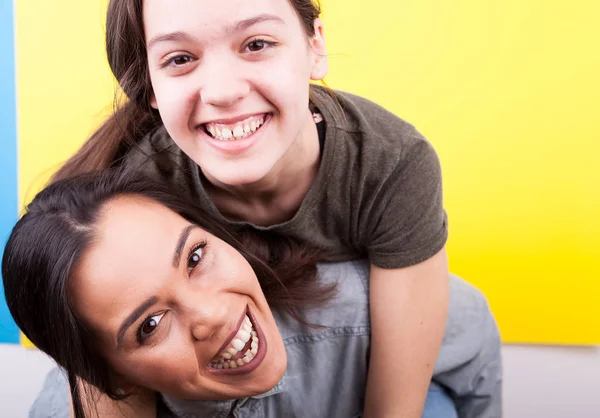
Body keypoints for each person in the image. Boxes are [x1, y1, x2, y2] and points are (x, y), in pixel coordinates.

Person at [47, 0, 502, 416]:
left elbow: (394, 406)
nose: (223, 92)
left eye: (257, 44)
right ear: (151, 87)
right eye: (180, 59)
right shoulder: (140, 194)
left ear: (314, 47)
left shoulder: (390, 162)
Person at [3, 171, 493, 418]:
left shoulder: (348, 313)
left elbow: (469, 324)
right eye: (149, 326)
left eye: (195, 257)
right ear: (108, 376)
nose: (212, 314)